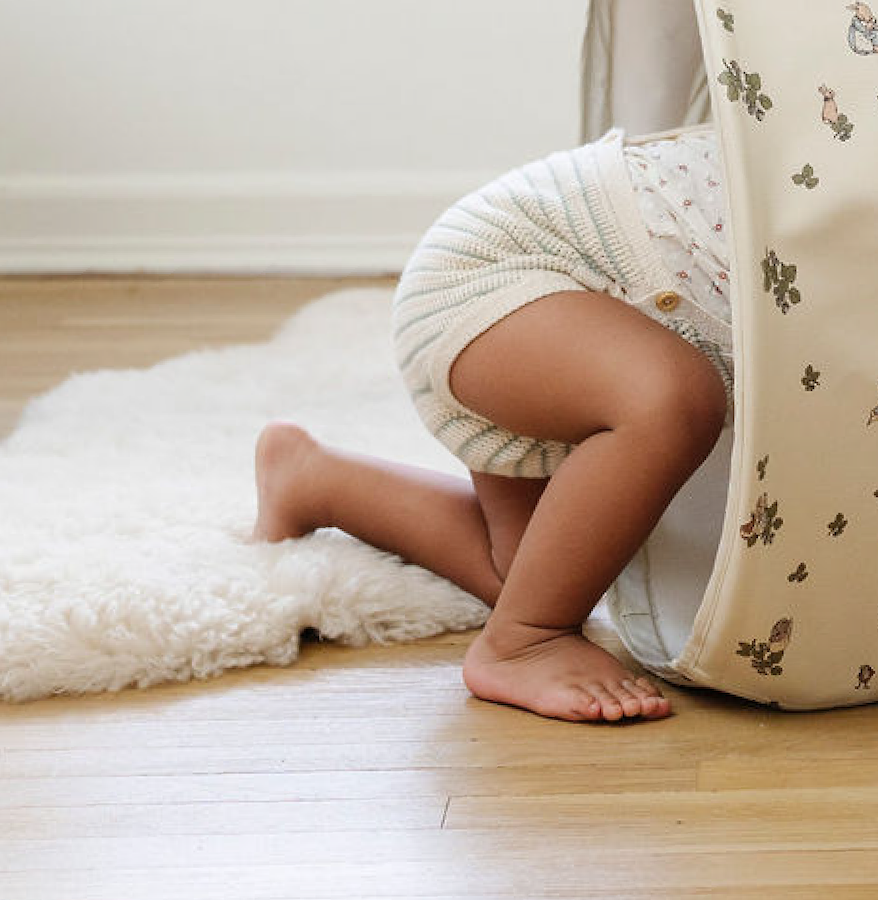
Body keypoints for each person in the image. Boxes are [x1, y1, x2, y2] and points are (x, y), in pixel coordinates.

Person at [252, 127, 731, 724]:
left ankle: (311, 477)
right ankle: (524, 642)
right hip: (497, 275)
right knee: (669, 400)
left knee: (531, 574)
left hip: (581, 303)